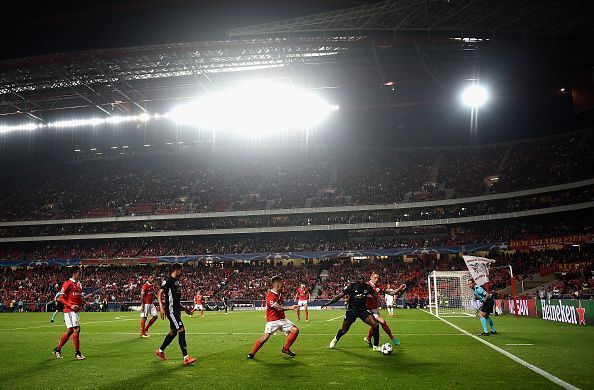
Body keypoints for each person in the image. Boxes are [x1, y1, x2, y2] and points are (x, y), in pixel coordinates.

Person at [322, 273, 382, 351]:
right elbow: (340, 296)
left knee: (375, 324)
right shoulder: (352, 286)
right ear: (356, 280)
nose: (361, 280)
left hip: (362, 310)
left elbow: (375, 295)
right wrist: (329, 303)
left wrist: (379, 300)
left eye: (362, 279)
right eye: (359, 279)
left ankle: (376, 346)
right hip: (351, 311)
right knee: (344, 330)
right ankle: (336, 339)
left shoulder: (367, 287)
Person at [247, 276, 299, 359]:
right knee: (265, 337)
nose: (283, 286)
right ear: (277, 285)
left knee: (295, 330)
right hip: (272, 320)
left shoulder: (279, 295)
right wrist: (291, 307)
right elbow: (278, 307)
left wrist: (289, 308)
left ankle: (286, 349)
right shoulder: (270, 296)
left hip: (282, 319)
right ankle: (252, 353)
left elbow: (281, 308)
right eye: (282, 284)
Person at [154, 264, 197, 365]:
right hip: (171, 311)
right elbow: (159, 294)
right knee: (181, 329)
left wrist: (185, 309)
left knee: (173, 332)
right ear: (176, 270)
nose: (182, 272)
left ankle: (160, 351)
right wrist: (161, 307)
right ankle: (186, 357)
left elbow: (176, 301)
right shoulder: (168, 281)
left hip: (176, 310)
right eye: (180, 270)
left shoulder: (177, 283)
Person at [363, 273, 406, 347]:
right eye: (375, 278)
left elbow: (391, 292)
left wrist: (399, 288)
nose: (376, 279)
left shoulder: (379, 286)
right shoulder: (366, 285)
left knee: (375, 325)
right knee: (383, 322)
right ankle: (392, 338)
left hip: (375, 309)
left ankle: (368, 338)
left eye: (378, 278)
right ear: (371, 278)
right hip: (368, 309)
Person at [52, 266, 85, 360]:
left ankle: (57, 349)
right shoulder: (67, 283)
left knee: (70, 331)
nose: (80, 274)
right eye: (79, 273)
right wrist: (70, 305)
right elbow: (61, 298)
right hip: (70, 310)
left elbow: (77, 298)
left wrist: (81, 303)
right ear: (74, 273)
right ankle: (77, 353)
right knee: (77, 329)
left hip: (76, 311)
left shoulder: (78, 285)